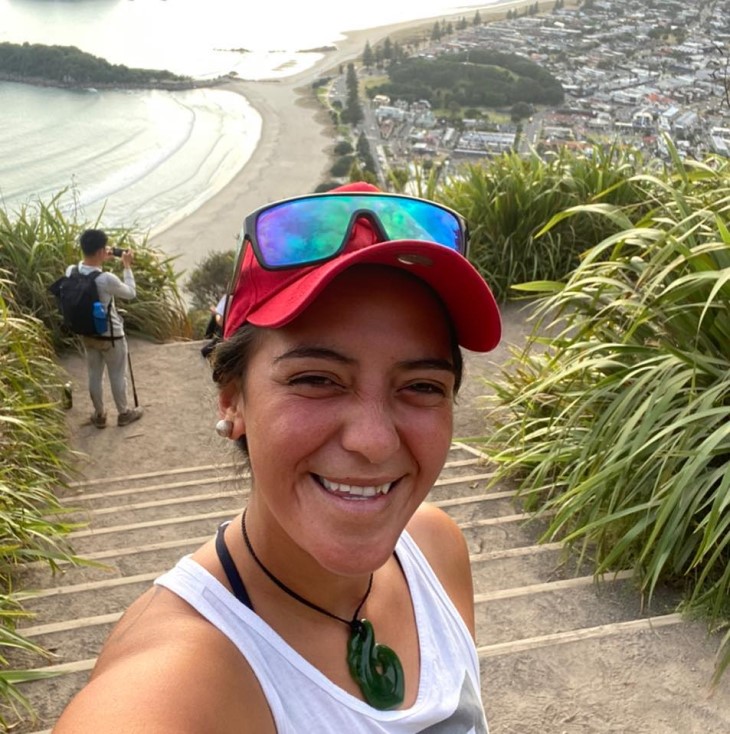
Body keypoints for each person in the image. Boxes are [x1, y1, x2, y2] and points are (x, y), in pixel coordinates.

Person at [54, 183, 501, 732]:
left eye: (423, 386)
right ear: (232, 398)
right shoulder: (175, 685)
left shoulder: (435, 547)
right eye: (316, 379)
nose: (375, 441)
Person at [71, 229, 143, 428]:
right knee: (117, 375)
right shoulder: (106, 279)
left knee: (94, 374)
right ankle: (124, 413)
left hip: (87, 333)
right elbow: (130, 293)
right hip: (111, 336)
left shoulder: (72, 271)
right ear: (102, 250)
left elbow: (89, 269)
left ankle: (99, 415)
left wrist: (101, 258)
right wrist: (126, 266)